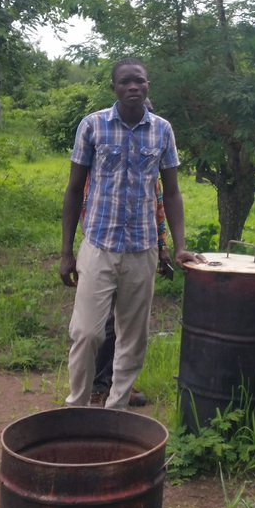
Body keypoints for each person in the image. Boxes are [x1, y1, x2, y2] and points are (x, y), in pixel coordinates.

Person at [59, 58, 198, 410]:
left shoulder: (162, 130)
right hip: (98, 244)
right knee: (87, 332)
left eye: (139, 81)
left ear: (148, 85)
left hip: (142, 248)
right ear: (114, 88)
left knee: (133, 339)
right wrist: (65, 252)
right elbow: (75, 190)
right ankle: (76, 407)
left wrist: (178, 246)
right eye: (125, 82)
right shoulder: (93, 126)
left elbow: (172, 191)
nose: (133, 87)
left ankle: (115, 410)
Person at [90, 174, 172, 407]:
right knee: (106, 321)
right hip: (106, 249)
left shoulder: (151, 162)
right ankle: (98, 387)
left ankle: (119, 385)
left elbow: (158, 205)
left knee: (129, 323)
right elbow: (88, 205)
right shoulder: (103, 163)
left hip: (139, 250)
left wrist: (162, 245)